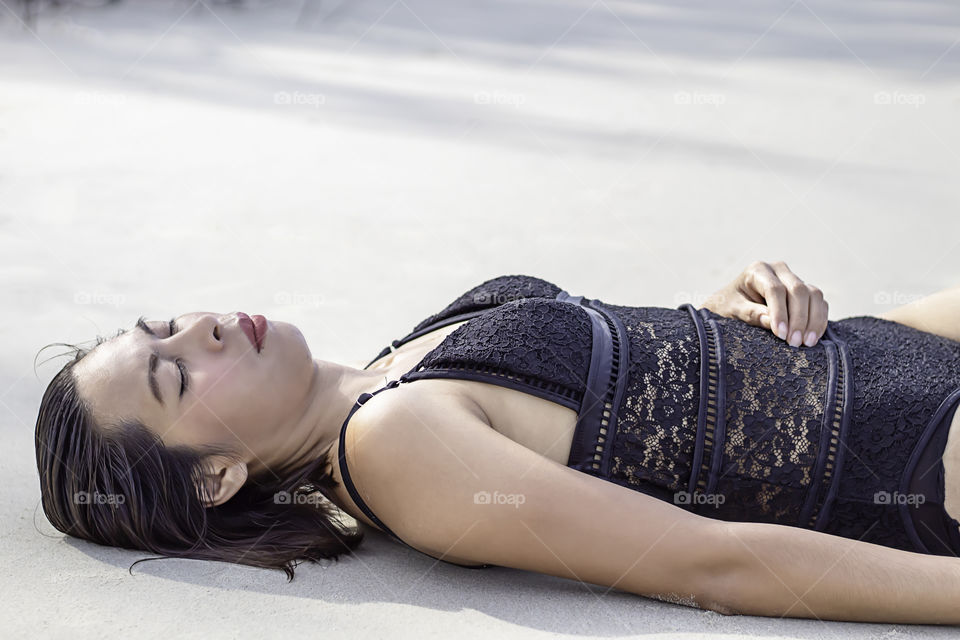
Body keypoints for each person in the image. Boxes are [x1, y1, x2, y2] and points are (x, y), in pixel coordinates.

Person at [34, 261, 960, 624]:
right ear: (217, 479)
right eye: (176, 375)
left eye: (165, 324)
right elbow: (711, 561)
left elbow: (632, 388)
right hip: (924, 450)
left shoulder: (405, 354)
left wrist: (718, 315)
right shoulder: (395, 446)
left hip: (903, 343)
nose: (203, 329)